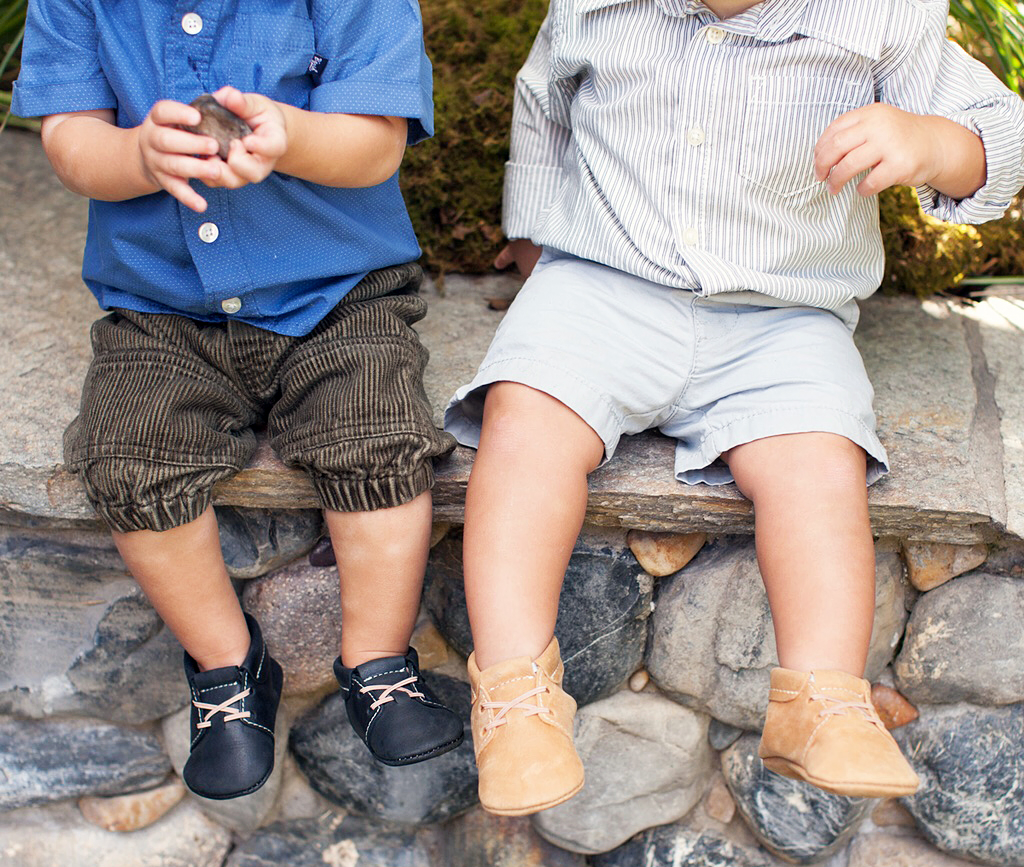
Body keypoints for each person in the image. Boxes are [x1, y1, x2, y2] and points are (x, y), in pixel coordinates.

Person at [444, 0, 1024, 815]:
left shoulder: (882, 15)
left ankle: (820, 699)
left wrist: (929, 143)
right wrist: (537, 233)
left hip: (783, 314)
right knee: (526, 418)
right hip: (603, 284)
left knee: (820, 462)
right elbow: (545, 101)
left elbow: (1002, 133)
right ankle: (514, 700)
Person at [12, 0, 464, 800]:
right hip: (162, 307)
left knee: (375, 432)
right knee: (127, 454)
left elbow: (377, 143)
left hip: (336, 294)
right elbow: (69, 140)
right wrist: (136, 154)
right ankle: (227, 665)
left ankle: (378, 660)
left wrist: (292, 135)